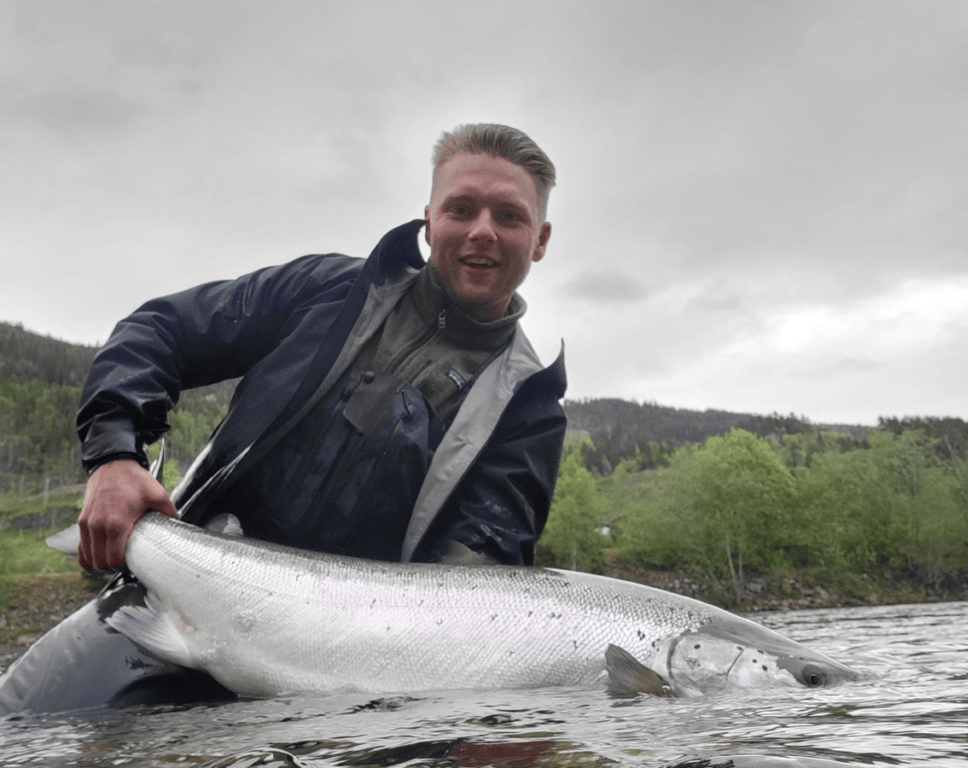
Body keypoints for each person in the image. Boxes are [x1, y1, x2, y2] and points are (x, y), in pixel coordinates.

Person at [0, 123, 566, 714]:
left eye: (509, 215)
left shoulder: (530, 409)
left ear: (541, 238)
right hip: (173, 594)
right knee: (17, 725)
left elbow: (480, 574)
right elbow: (161, 333)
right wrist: (114, 456)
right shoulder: (329, 290)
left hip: (341, 675)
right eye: (462, 208)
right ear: (429, 219)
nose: (482, 231)